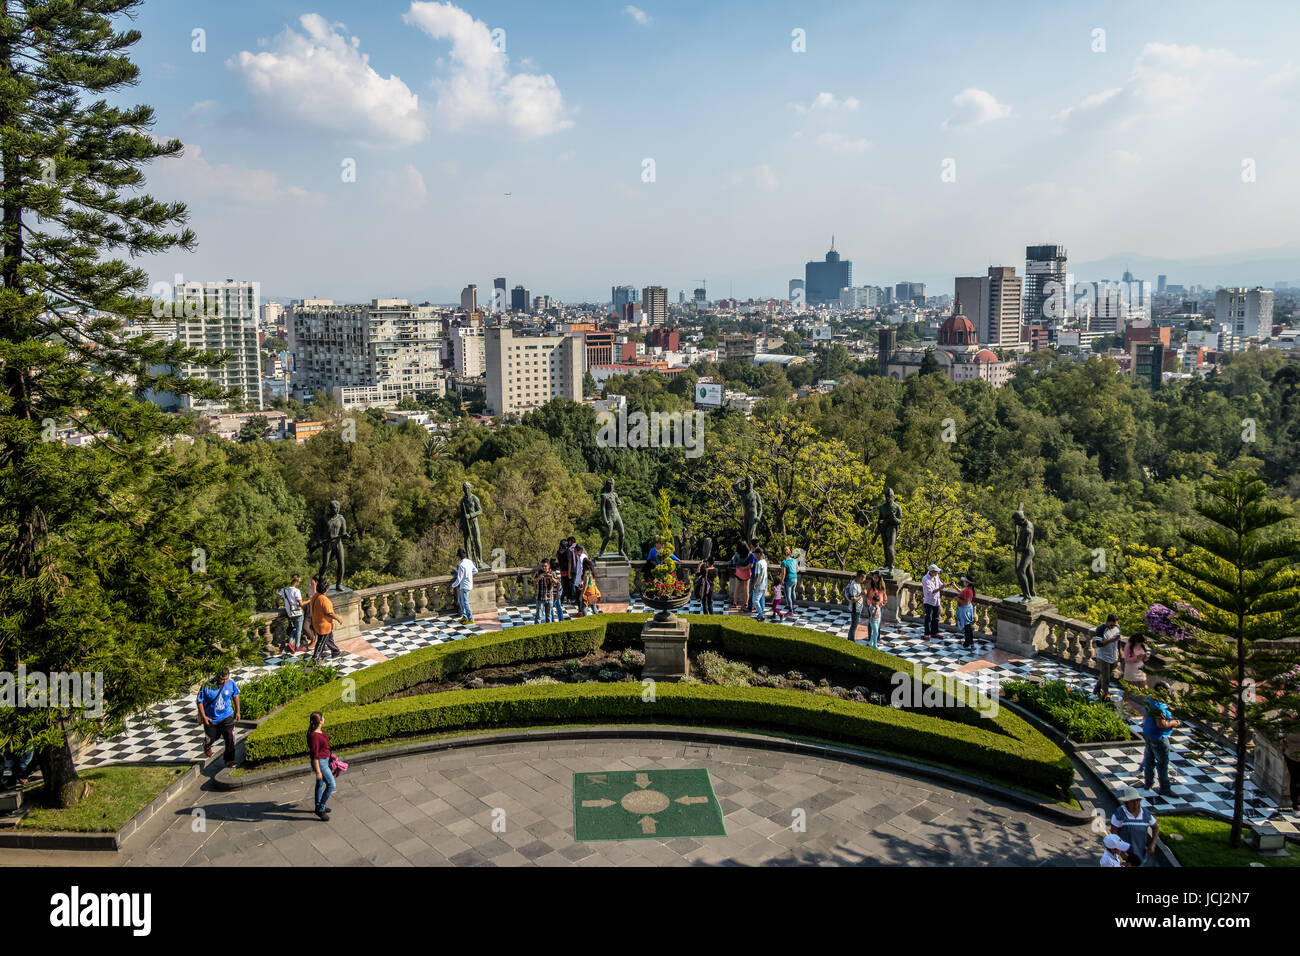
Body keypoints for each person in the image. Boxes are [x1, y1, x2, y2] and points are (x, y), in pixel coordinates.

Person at [197, 667, 241, 768]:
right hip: (211, 718)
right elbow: (199, 701)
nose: (224, 681)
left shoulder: (231, 683)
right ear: (217, 677)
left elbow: (235, 696)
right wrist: (204, 717)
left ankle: (229, 760)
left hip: (227, 715)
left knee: (230, 737)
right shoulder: (207, 686)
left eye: (226, 678)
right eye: (222, 679)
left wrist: (237, 711)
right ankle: (207, 745)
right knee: (212, 737)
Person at [1139, 694, 1180, 795]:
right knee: (1162, 763)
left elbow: (1145, 714)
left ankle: (1148, 783)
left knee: (1149, 759)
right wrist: (1174, 723)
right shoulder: (1159, 706)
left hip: (1148, 733)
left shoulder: (1149, 698)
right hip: (1158, 737)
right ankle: (1165, 788)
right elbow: (1161, 724)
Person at [1110, 787, 1159, 866]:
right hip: (1125, 855)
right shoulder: (1119, 814)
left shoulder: (1146, 814)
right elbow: (1113, 832)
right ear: (1126, 802)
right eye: (1132, 801)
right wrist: (1120, 850)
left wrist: (1153, 844)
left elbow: (1155, 828)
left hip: (1140, 854)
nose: (1136, 803)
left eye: (1137, 800)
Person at [308, 711, 335, 821]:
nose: (324, 718)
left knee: (320, 784)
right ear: (320, 721)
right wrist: (319, 772)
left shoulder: (319, 732)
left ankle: (318, 806)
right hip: (320, 763)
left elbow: (324, 748)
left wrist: (330, 756)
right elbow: (315, 756)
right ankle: (320, 808)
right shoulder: (315, 737)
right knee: (331, 785)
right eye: (323, 717)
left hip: (325, 760)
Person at [1093, 614, 1122, 700]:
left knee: (1106, 674)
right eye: (1113, 624)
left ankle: (1096, 689)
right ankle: (1104, 695)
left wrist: (1119, 653)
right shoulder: (1101, 629)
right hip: (1103, 657)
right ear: (1109, 622)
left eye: (1116, 624)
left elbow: (1118, 640)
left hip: (1113, 656)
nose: (1114, 626)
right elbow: (1098, 644)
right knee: (1106, 678)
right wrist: (1110, 640)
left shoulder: (1117, 628)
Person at [279, 574, 306, 652]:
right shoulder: (296, 591)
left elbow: (277, 599)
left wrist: (278, 606)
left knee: (295, 628)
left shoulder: (283, 590)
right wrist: (309, 600)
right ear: (296, 581)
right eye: (299, 581)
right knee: (298, 630)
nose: (299, 583)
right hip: (298, 613)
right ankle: (297, 646)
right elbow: (301, 604)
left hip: (290, 613)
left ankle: (290, 643)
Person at [453, 548, 477, 625]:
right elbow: (476, 570)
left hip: (464, 586)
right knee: (460, 600)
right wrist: (469, 574)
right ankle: (464, 617)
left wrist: (452, 586)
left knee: (465, 602)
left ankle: (470, 619)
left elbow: (459, 579)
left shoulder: (461, 565)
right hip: (469, 584)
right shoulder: (469, 562)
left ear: (459, 557)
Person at [865, 570, 887, 648]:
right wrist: (872, 601)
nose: (874, 579)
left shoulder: (882, 585)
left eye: (876, 578)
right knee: (872, 621)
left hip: (880, 605)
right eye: (873, 577)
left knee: (878, 622)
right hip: (872, 605)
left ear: (879, 578)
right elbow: (866, 593)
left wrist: (884, 601)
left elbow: (884, 594)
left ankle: (877, 638)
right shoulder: (870, 584)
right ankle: (870, 638)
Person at [921, 565, 943, 641]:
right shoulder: (925, 579)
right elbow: (930, 592)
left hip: (937, 601)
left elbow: (940, 584)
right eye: (936, 571)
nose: (938, 572)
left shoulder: (936, 577)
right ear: (931, 571)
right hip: (929, 602)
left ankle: (934, 633)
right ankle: (927, 634)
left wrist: (944, 585)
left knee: (936, 618)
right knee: (928, 618)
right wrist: (940, 588)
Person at [844, 569, 867, 643]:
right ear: (860, 577)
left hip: (858, 608)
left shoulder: (857, 584)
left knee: (854, 624)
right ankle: (851, 640)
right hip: (855, 608)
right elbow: (853, 599)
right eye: (864, 578)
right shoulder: (854, 586)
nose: (864, 580)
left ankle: (851, 638)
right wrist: (862, 595)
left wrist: (861, 593)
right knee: (854, 625)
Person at [955, 575, 976, 650]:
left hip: (965, 609)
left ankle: (967, 643)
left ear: (967, 583)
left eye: (964, 581)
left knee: (967, 627)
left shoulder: (968, 591)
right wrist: (955, 586)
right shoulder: (967, 589)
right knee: (968, 627)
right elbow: (961, 592)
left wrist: (958, 599)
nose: (963, 582)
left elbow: (966, 602)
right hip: (966, 609)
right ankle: (970, 642)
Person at [730, 542, 751, 611]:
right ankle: (746, 603)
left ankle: (735, 602)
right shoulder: (749, 554)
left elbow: (733, 562)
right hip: (747, 572)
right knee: (746, 588)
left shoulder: (736, 554)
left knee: (736, 588)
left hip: (738, 572)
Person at [532, 559, 555, 624]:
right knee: (538, 616)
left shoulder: (552, 573)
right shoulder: (538, 573)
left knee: (549, 616)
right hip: (540, 597)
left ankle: (549, 630)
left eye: (545, 566)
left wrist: (551, 578)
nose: (543, 567)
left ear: (549, 566)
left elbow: (557, 583)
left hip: (549, 597)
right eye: (542, 566)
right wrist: (538, 578)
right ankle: (537, 630)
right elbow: (533, 582)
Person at [574, 545, 595, 615]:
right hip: (591, 590)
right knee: (593, 605)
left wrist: (582, 594)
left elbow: (585, 584)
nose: (574, 552)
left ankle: (584, 616)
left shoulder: (586, 572)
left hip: (587, 589)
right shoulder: (590, 571)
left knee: (584, 606)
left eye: (575, 551)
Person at [579, 549, 601, 614]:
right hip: (593, 591)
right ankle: (598, 618)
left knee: (583, 608)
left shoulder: (587, 573)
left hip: (588, 592)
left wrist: (582, 594)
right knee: (593, 607)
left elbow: (586, 585)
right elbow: (590, 583)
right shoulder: (591, 571)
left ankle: (585, 620)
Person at [751, 547, 769, 621]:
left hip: (759, 584)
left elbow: (757, 575)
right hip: (764, 584)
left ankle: (761, 614)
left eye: (755, 553)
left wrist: (754, 584)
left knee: (755, 601)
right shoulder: (764, 562)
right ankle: (760, 614)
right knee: (762, 600)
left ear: (758, 554)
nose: (754, 555)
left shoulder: (758, 563)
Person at [780, 546, 799, 617]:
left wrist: (782, 581)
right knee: (793, 592)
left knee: (788, 596)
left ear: (783, 554)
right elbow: (797, 569)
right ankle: (793, 606)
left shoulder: (784, 562)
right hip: (795, 578)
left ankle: (790, 611)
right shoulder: (794, 560)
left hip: (788, 579)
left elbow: (783, 573)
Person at [1284, 731, 1300, 812]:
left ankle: (1296, 804)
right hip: (1293, 757)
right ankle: (1296, 804)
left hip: (1291, 754)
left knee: (1295, 780)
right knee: (1295, 780)